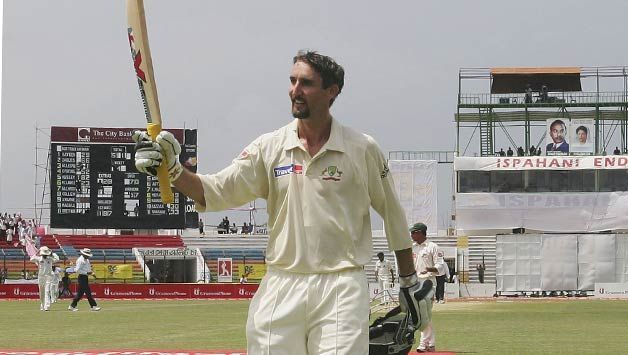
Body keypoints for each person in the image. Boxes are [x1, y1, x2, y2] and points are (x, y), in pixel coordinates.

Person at [132, 50, 432, 354]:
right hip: (281, 285)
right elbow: (215, 190)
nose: (295, 90)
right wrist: (173, 170)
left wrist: (408, 281)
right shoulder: (269, 147)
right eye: (292, 81)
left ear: (332, 92)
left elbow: (393, 215)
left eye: (306, 83)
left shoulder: (362, 148)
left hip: (341, 287)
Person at [409, 222, 444, 353]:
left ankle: (423, 344)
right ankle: (431, 343)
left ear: (421, 232)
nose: (411, 235)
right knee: (422, 315)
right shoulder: (412, 248)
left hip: (428, 282)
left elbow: (440, 266)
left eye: (414, 232)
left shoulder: (433, 247)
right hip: (414, 283)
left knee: (424, 313)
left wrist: (428, 269)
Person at [30, 246, 59, 311]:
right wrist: (37, 252)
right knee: (41, 292)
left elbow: (57, 259)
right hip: (41, 276)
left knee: (46, 291)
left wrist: (52, 253)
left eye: (46, 254)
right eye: (44, 254)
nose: (45, 256)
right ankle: (42, 305)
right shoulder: (39, 259)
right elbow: (31, 259)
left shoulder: (50, 259)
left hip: (48, 276)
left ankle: (46, 306)